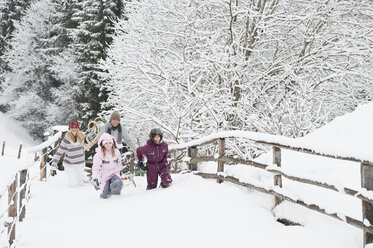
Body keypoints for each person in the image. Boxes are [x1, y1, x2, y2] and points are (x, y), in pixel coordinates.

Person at [51, 121, 85, 187]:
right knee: (73, 184)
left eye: (75, 127)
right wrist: (53, 165)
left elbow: (83, 147)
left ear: (78, 128)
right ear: (69, 128)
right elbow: (59, 152)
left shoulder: (81, 137)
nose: (74, 129)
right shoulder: (66, 140)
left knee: (80, 184)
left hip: (80, 164)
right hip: (70, 164)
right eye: (72, 127)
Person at [92, 133, 124, 199]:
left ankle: (116, 199)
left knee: (118, 183)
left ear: (113, 143)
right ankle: (104, 197)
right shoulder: (98, 155)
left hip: (114, 174)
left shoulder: (116, 152)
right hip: (105, 176)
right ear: (102, 144)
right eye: (106, 143)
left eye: (110, 143)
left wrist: (120, 170)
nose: (108, 145)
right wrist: (95, 179)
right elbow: (96, 168)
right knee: (105, 196)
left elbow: (119, 162)